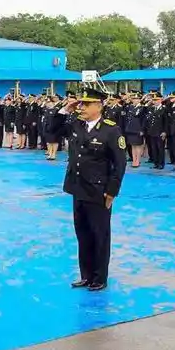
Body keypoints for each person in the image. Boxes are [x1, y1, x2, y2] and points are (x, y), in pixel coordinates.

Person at [50, 87, 127, 291]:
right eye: (81, 103)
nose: (81, 107)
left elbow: (119, 164)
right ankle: (86, 275)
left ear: (99, 106)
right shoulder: (76, 124)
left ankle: (99, 277)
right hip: (78, 188)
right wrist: (65, 110)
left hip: (98, 191)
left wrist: (112, 192)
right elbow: (52, 130)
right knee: (82, 234)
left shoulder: (111, 130)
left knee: (99, 235)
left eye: (86, 104)